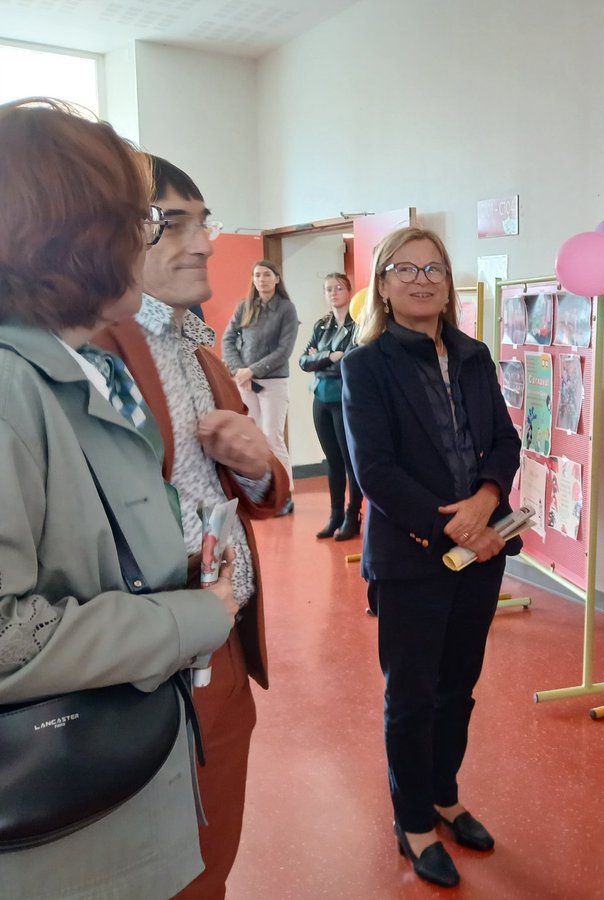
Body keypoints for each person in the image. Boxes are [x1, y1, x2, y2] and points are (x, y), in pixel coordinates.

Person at [0, 99, 237, 899]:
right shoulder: (8, 388)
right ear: (70, 234)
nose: (154, 241)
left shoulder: (75, 366)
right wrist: (196, 614)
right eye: (139, 219)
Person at [93, 154, 288, 900]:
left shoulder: (194, 344)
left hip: (222, 642)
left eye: (203, 220)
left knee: (215, 849)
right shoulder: (86, 357)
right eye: (172, 223)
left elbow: (243, 489)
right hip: (151, 663)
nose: (204, 242)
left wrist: (262, 467)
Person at [341, 226, 521, 889]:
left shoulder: (474, 356)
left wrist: (486, 499)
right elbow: (376, 473)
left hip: (482, 553)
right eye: (405, 268)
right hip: (412, 559)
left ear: (450, 285)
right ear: (383, 285)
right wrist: (457, 529)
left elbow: (503, 440)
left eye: (435, 269)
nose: (422, 279)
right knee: (411, 696)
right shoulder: (365, 367)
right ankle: (413, 820)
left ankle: (445, 794)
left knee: (458, 687)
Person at [221, 258, 300, 513]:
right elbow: (228, 340)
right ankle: (260, 493)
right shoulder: (244, 307)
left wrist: (253, 369)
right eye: (257, 275)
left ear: (276, 279)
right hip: (244, 382)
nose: (262, 279)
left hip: (273, 381)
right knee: (253, 438)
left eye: (267, 274)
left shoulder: (286, 309)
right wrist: (239, 371)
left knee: (272, 437)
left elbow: (283, 350)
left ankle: (284, 495)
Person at [299, 272, 362, 540]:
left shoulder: (359, 324)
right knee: (332, 461)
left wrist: (320, 360)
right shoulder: (321, 325)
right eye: (328, 289)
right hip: (320, 398)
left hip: (344, 399)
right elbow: (303, 361)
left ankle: (352, 515)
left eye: (338, 288)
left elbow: (351, 362)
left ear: (349, 291)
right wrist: (329, 356)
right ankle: (335, 514)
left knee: (350, 462)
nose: (333, 293)